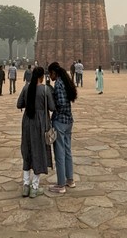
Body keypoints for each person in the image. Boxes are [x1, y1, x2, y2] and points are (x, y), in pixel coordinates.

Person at [16, 66, 55, 198]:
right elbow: (52, 107)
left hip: (27, 122)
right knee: (38, 151)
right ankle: (34, 187)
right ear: (41, 77)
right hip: (40, 124)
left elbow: (19, 104)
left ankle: (25, 186)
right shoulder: (44, 89)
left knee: (27, 151)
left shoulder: (26, 87)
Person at [47, 62, 78, 194]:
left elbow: (61, 104)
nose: (50, 76)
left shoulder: (59, 84)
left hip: (60, 120)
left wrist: (50, 100)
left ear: (54, 72)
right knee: (67, 150)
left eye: (50, 74)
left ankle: (61, 185)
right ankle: (70, 179)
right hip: (68, 121)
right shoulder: (66, 82)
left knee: (59, 153)